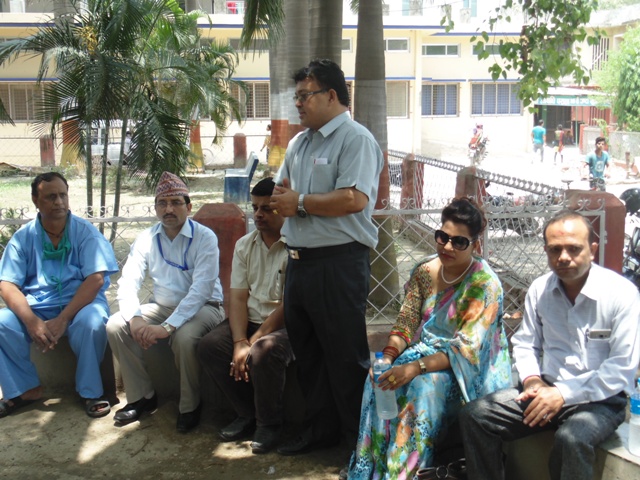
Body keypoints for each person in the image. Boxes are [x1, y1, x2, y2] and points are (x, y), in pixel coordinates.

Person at [459, 210, 640, 480]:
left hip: (601, 399)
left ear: (592, 250)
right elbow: (525, 343)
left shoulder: (621, 294)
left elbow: (621, 368)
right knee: (476, 416)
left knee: (571, 439)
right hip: (545, 389)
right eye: (555, 249)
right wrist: (532, 380)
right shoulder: (540, 289)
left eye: (573, 248)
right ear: (545, 251)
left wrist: (562, 394)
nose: (563, 257)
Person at [347, 198, 512, 479]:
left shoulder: (483, 285)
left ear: (475, 245)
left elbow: (465, 351)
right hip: (425, 356)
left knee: (424, 386)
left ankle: (404, 473)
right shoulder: (425, 271)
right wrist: (388, 359)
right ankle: (371, 469)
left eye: (459, 242)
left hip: (469, 372)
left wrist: (414, 368)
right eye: (443, 237)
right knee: (378, 379)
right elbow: (407, 322)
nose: (447, 246)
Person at [269, 59, 384, 459]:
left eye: (305, 95)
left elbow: (353, 198)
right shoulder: (300, 144)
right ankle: (321, 431)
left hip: (339, 264)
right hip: (300, 263)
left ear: (331, 95)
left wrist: (299, 203)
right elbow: (283, 192)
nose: (298, 104)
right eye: (297, 96)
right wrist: (285, 199)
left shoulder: (356, 140)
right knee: (309, 356)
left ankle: (359, 447)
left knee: (346, 358)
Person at [106, 171, 224, 433]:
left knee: (184, 337)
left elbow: (201, 289)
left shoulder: (205, 237)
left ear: (188, 207)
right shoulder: (146, 238)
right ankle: (142, 397)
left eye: (176, 203)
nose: (168, 209)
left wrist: (168, 327)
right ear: (156, 208)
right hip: (162, 307)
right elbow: (128, 281)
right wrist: (135, 318)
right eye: (162, 203)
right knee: (116, 325)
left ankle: (190, 406)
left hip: (205, 307)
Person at [0, 172, 118, 419]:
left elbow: (95, 279)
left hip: (80, 304)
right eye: (51, 197)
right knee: (2, 323)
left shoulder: (86, 233)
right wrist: (32, 322)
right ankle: (24, 390)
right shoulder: (23, 238)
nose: (59, 202)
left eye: (63, 195)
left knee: (92, 322)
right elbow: (7, 285)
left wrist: (64, 318)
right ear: (35, 200)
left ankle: (90, 392)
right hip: (38, 307)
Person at [197, 177, 294, 454]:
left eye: (267, 208)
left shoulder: (296, 246)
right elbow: (238, 297)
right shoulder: (244, 245)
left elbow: (288, 306)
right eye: (255, 208)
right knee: (210, 346)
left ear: (283, 209)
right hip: (250, 320)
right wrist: (240, 341)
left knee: (263, 352)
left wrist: (251, 343)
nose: (258, 215)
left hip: (286, 325)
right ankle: (247, 413)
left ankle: (270, 424)